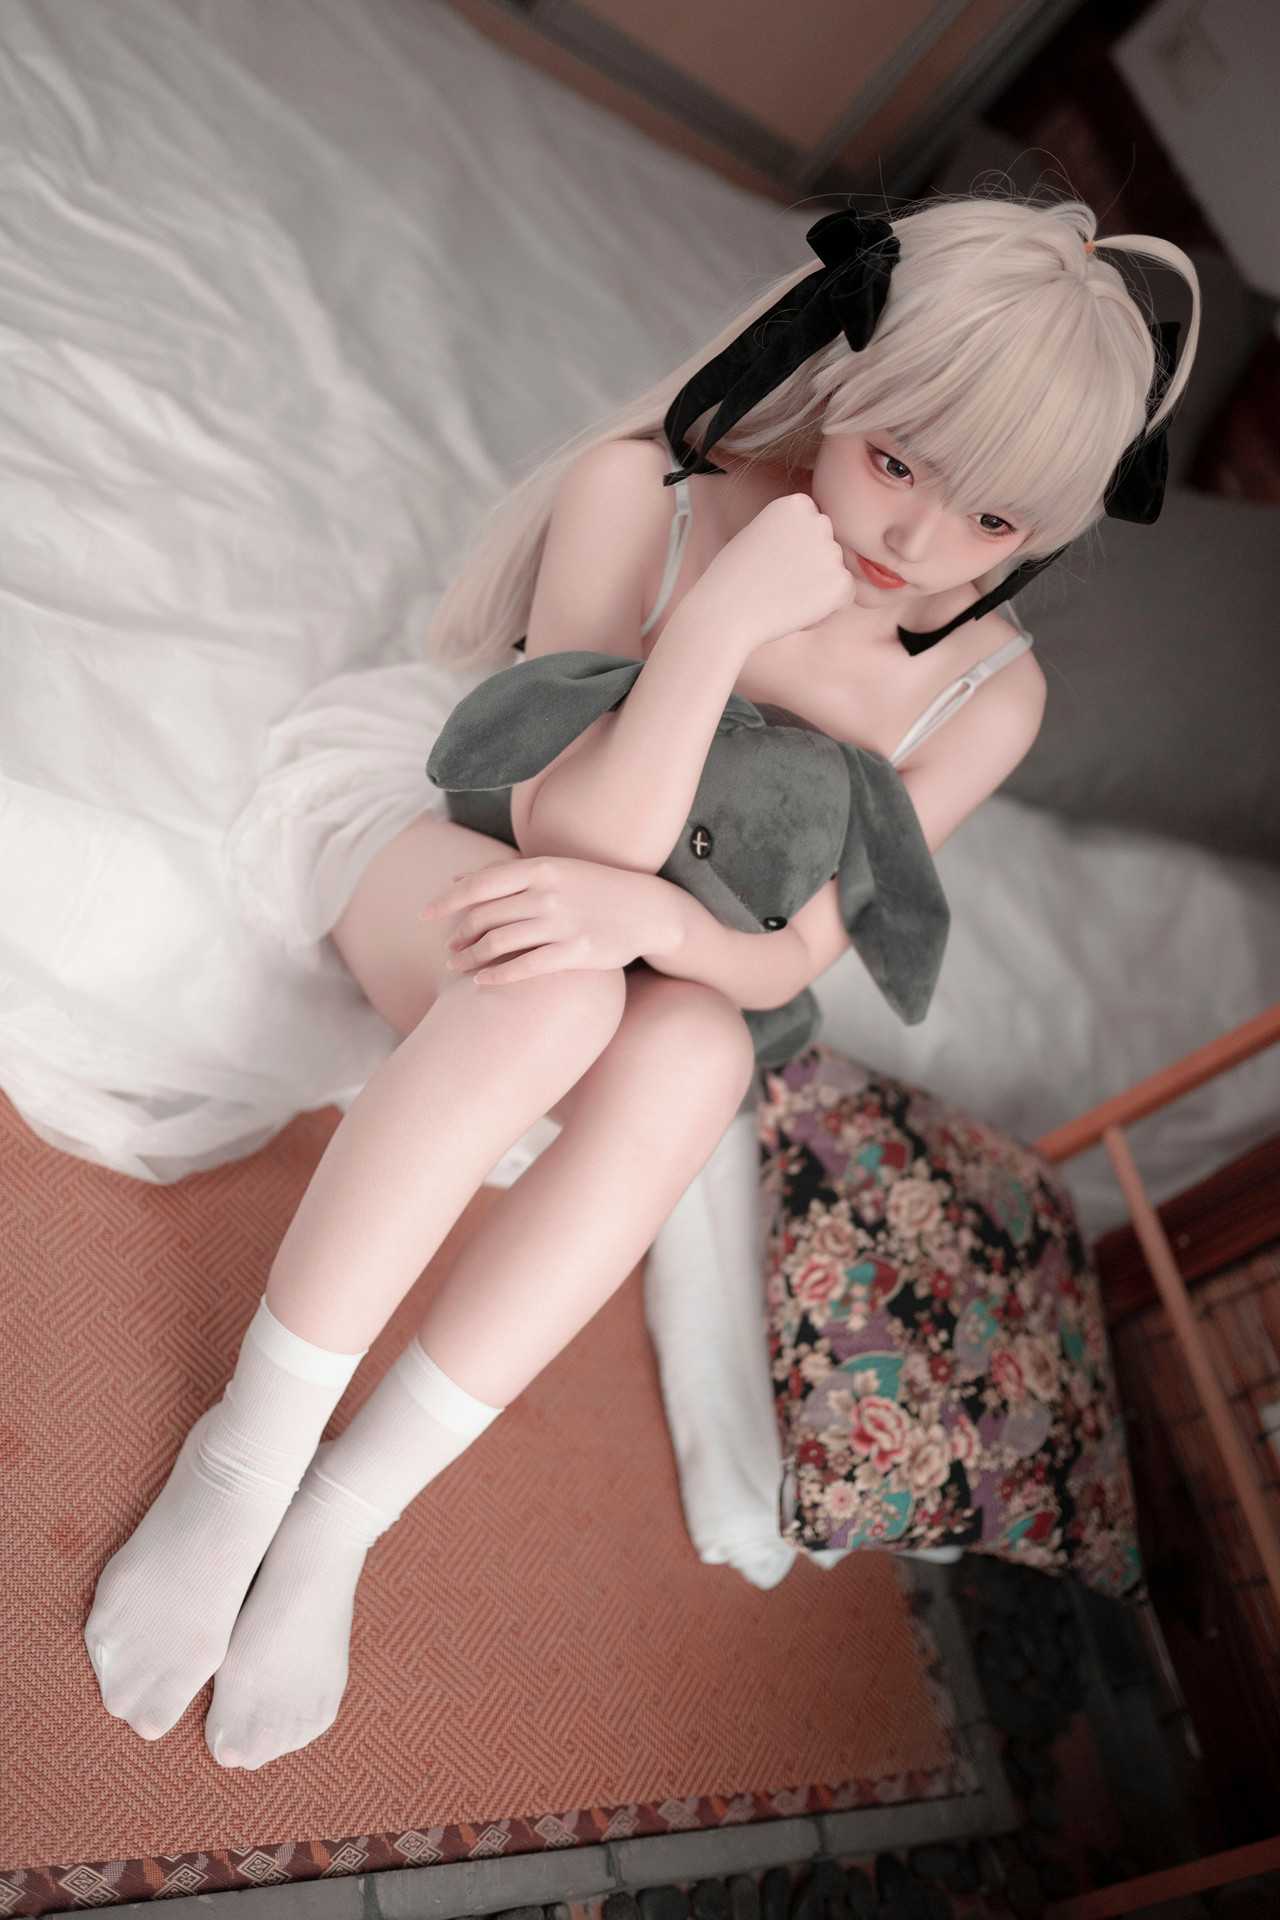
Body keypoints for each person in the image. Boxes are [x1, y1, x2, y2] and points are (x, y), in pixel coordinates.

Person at [84, 189, 1199, 1768]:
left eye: (993, 524)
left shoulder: (990, 695)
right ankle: (244, 1465)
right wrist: (723, 621)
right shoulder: (651, 493)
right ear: (846, 372)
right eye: (896, 461)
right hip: (463, 833)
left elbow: (796, 954)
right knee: (557, 991)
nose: (913, 544)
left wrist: (661, 931)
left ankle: (345, 1515)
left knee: (695, 1061)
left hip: (658, 939)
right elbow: (567, 827)